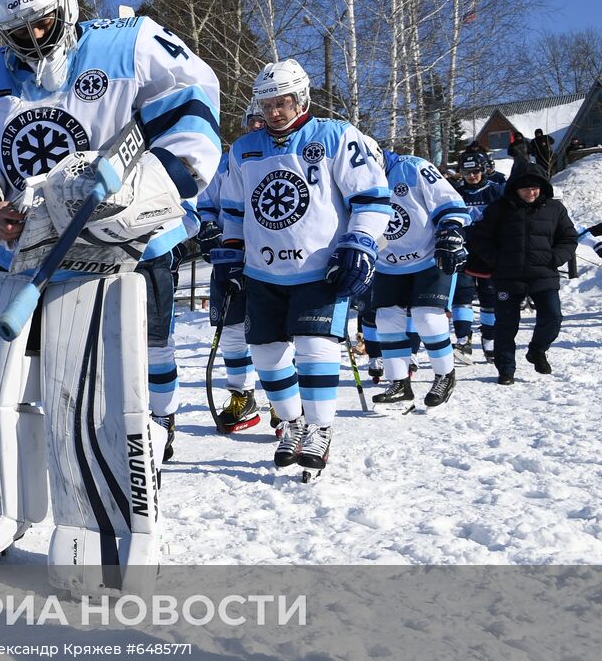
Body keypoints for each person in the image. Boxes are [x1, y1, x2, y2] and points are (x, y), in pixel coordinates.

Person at [0, 0, 220, 594]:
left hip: (117, 250)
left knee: (89, 393)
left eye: (42, 23)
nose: (32, 38)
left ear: (68, 4)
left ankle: (107, 526)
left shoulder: (129, 43)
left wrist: (144, 193)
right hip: (22, 252)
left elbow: (193, 114)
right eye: (16, 30)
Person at [216, 59, 390, 480]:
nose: (274, 111)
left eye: (283, 102)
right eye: (267, 104)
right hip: (263, 272)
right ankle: (292, 424)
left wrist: (360, 243)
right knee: (267, 355)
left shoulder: (335, 136)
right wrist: (229, 257)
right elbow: (235, 211)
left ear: (301, 99)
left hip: (320, 269)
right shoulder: (243, 149)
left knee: (315, 350)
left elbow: (370, 197)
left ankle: (320, 429)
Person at [367, 146, 471, 408]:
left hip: (429, 256)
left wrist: (450, 230)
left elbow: (447, 199)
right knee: (387, 319)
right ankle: (399, 382)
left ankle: (445, 374)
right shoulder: (351, 179)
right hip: (387, 262)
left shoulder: (411, 167)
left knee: (427, 317)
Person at [464, 163, 578, 384]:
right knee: (506, 325)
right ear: (514, 188)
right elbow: (479, 237)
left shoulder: (555, 209)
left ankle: (537, 350)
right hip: (508, 276)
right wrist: (496, 261)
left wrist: (555, 258)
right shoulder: (498, 208)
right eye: (525, 188)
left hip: (543, 274)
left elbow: (569, 238)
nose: (530, 192)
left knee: (553, 317)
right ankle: (506, 369)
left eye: (535, 188)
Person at [196, 105, 266, 433]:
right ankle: (243, 396)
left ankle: (286, 404)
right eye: (252, 118)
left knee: (279, 331)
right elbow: (205, 203)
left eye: (262, 119)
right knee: (231, 330)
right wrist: (207, 227)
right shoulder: (225, 161)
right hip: (230, 257)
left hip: (274, 259)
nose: (257, 123)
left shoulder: (284, 155)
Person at [449, 148, 505, 362]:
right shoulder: (455, 193)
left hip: (490, 254)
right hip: (463, 252)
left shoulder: (497, 192)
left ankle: (490, 343)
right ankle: (463, 341)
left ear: (484, 170)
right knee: (461, 296)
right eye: (467, 172)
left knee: (489, 299)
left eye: (476, 171)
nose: (472, 176)